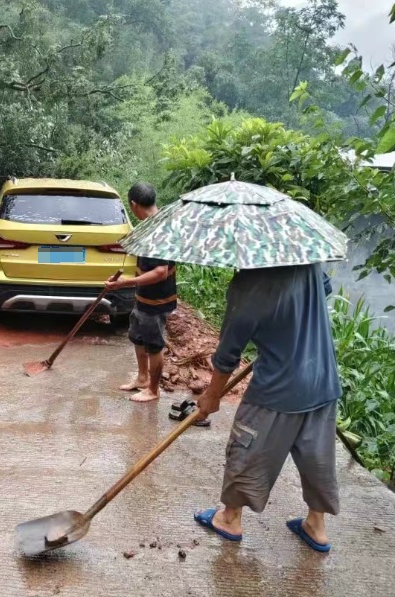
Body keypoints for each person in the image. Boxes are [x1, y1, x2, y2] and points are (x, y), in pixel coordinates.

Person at [193, 264, 340, 552]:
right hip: (323, 377)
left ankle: (230, 518)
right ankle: (316, 525)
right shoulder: (307, 262)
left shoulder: (248, 283)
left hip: (277, 389)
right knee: (316, 456)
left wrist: (212, 396)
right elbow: (324, 290)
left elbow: (228, 352)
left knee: (246, 448)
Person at [105, 182, 177, 403]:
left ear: (134, 205)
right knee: (137, 337)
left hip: (157, 300)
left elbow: (160, 272)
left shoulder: (158, 230)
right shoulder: (150, 224)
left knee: (154, 345)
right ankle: (142, 378)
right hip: (144, 297)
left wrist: (126, 282)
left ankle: (153, 391)